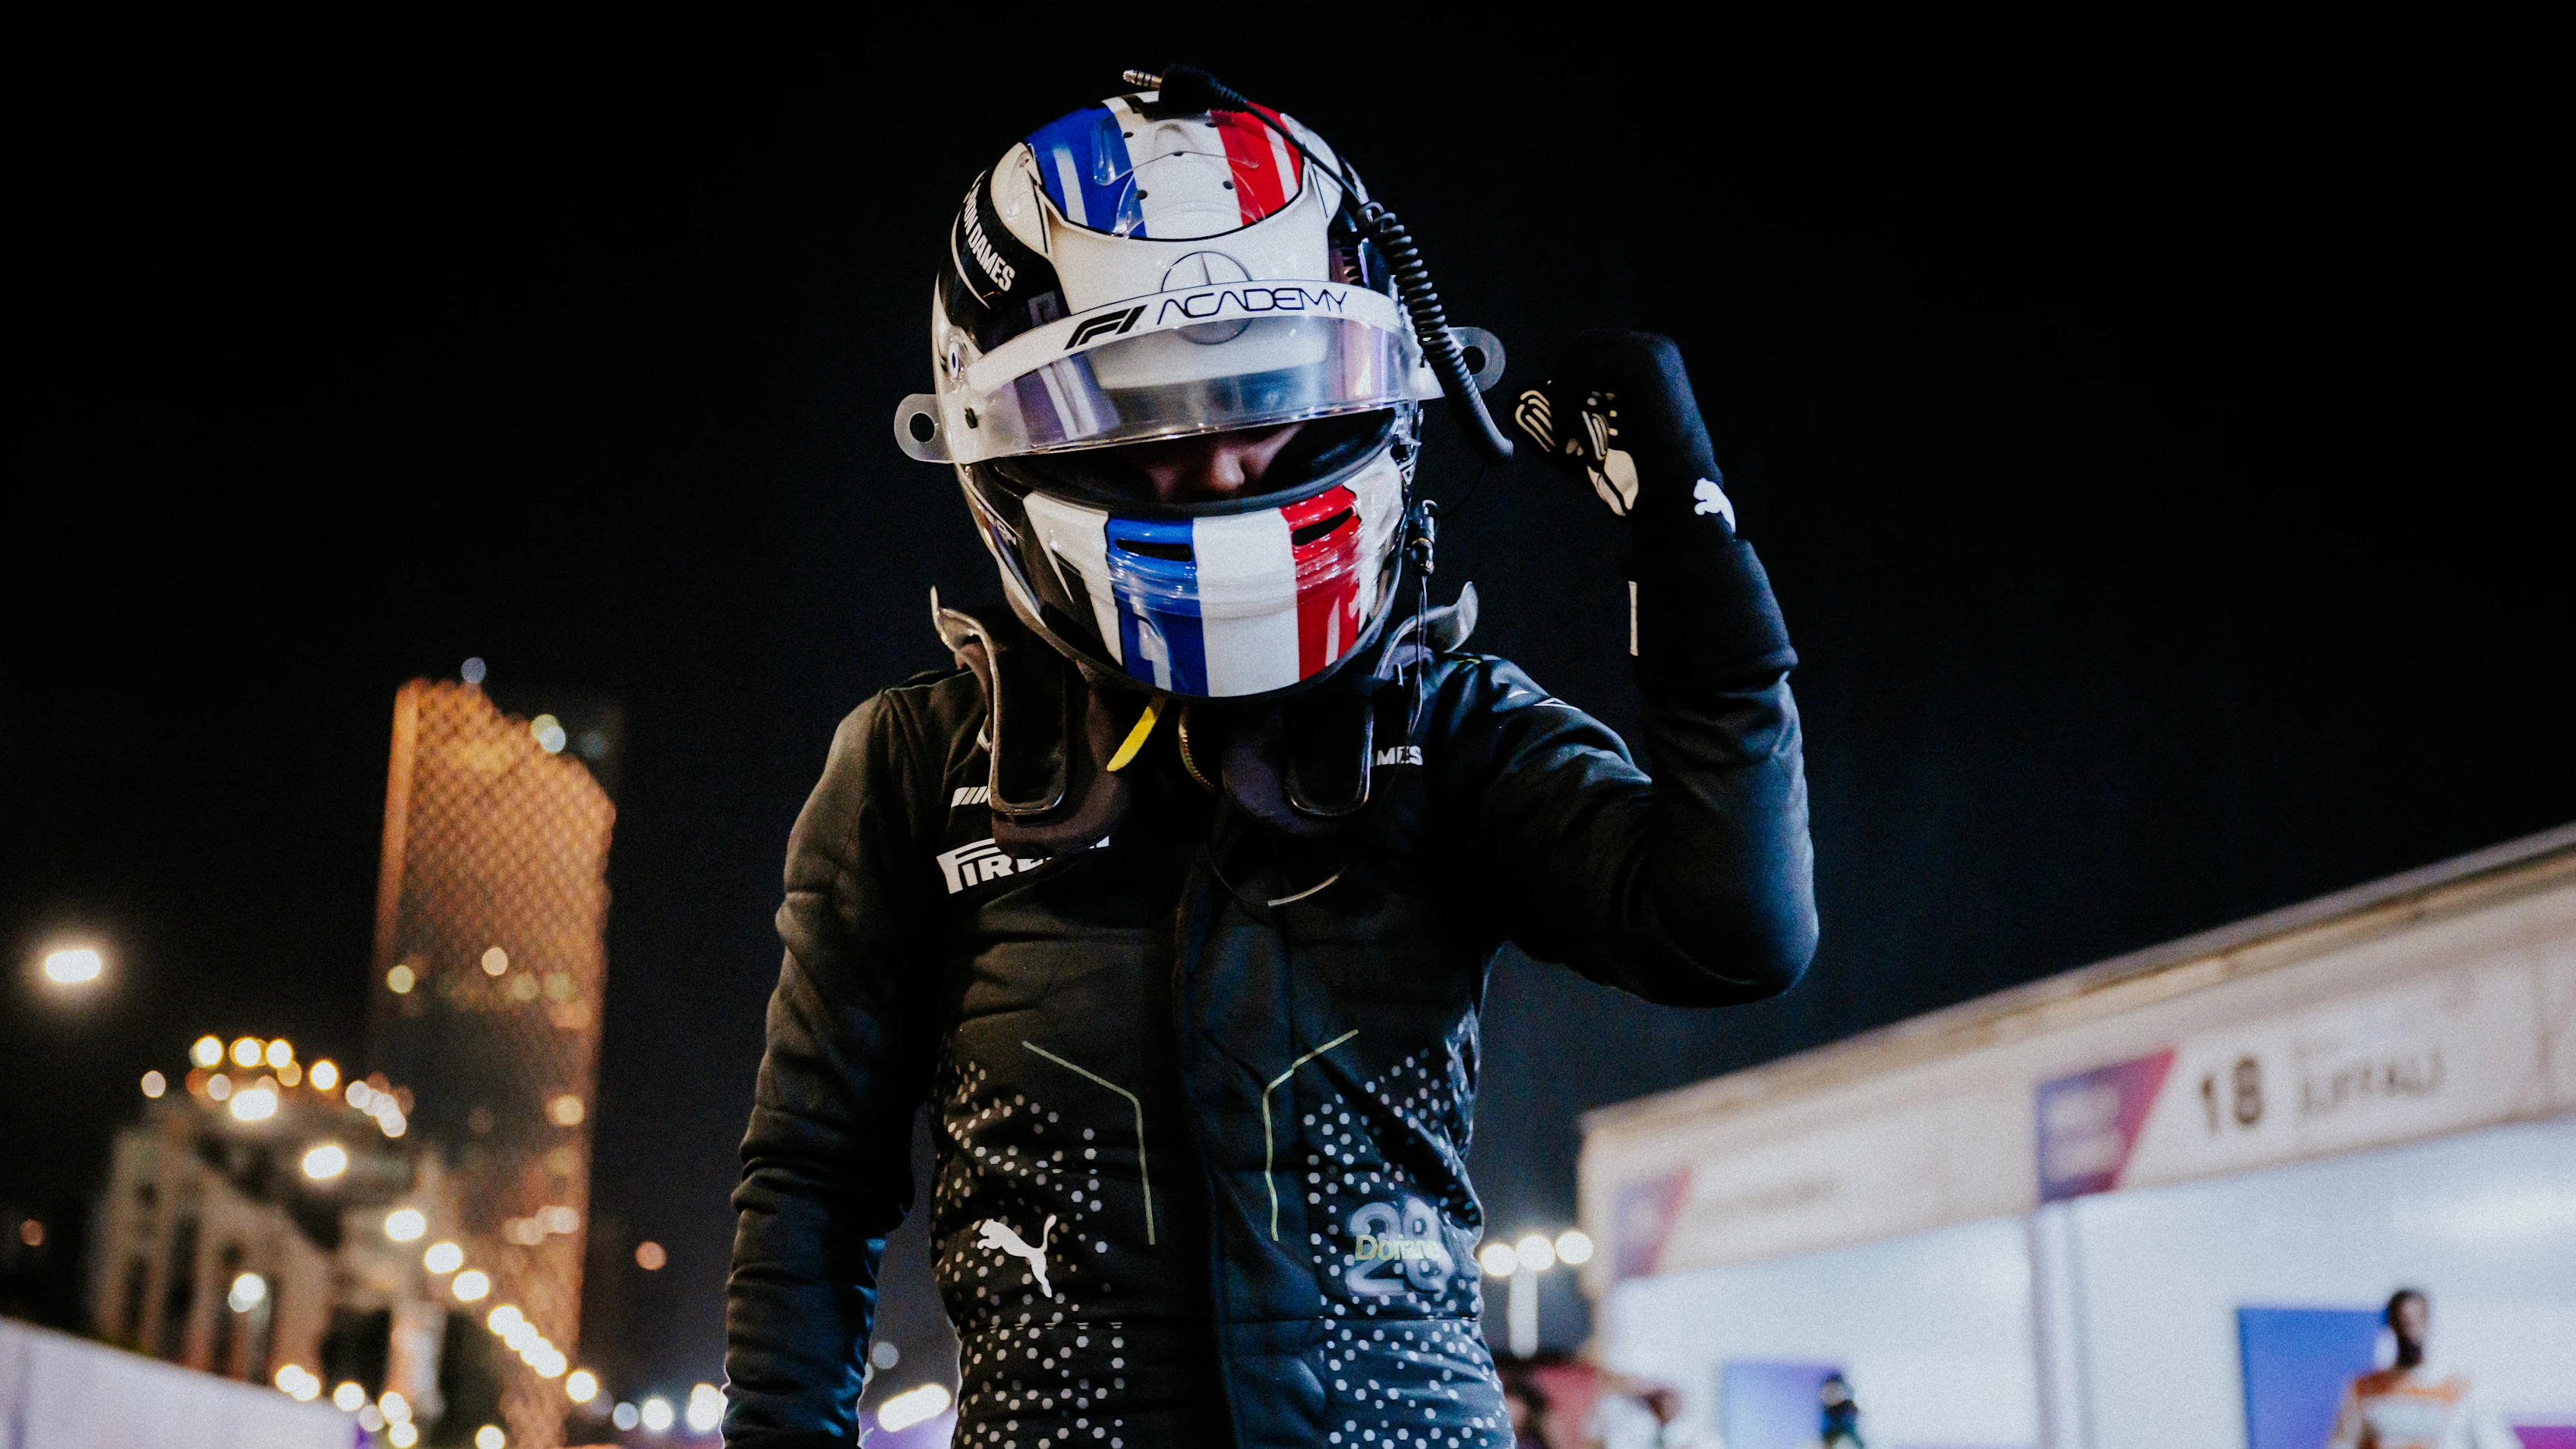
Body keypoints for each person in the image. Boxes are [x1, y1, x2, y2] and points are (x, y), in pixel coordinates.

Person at [721, 68, 1815, 1449]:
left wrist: (1691, 547)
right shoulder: (913, 763)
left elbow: (1735, 933)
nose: (1230, 462)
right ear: (1004, 432)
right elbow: (812, 1182)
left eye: (1269, 390)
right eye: (1145, 409)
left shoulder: (1448, 721)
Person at [2325, 1289, 2514, 1449]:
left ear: (2428, 1322)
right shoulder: (2365, 1389)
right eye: (2403, 1322)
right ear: (2391, 1324)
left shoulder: (2459, 1389)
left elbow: (2497, 1443)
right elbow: (2342, 1444)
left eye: (2417, 1320)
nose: (2410, 1332)